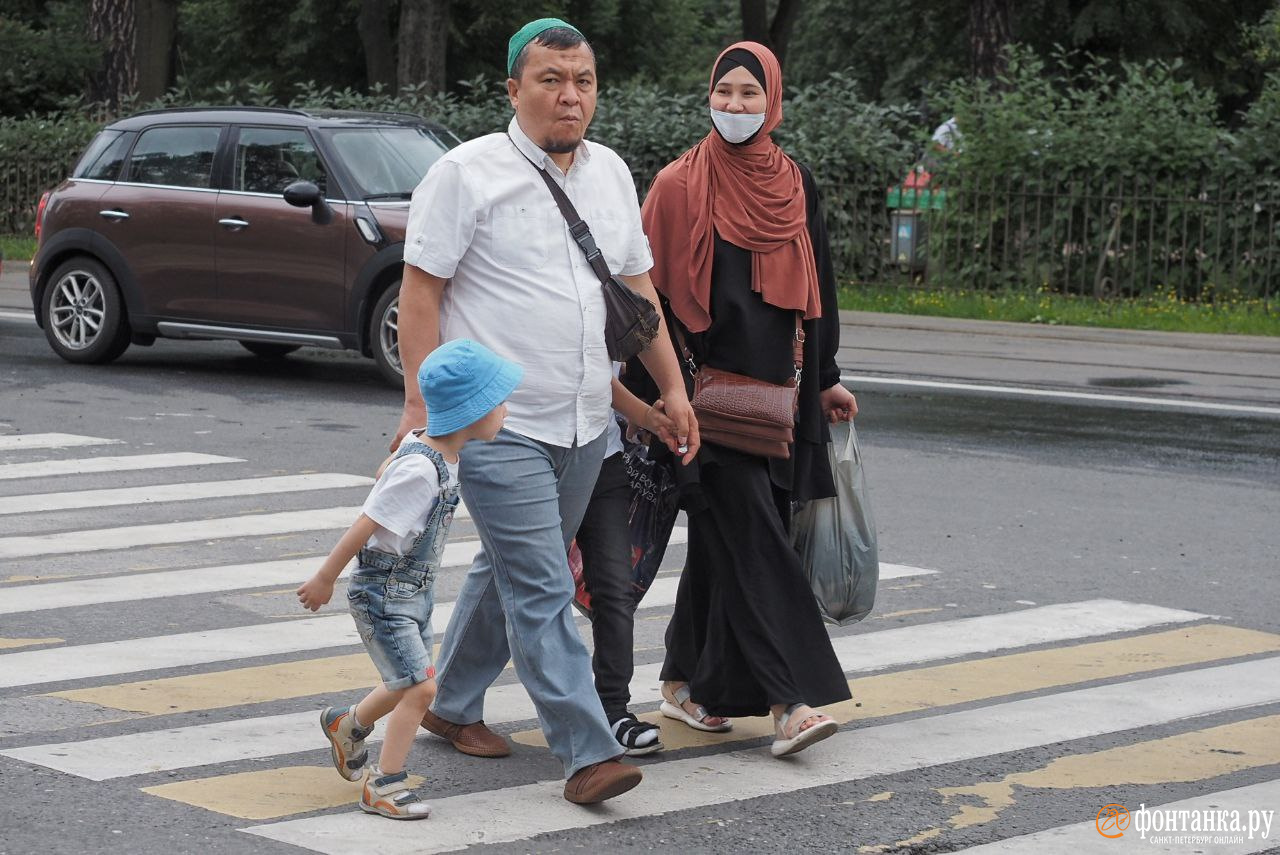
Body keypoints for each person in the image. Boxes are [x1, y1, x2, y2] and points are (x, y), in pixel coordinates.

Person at [392, 18, 698, 805]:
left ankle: (452, 703)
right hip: (500, 425)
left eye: (583, 80)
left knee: (508, 569)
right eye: (551, 80)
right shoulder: (465, 174)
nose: (570, 95)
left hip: (586, 422)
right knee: (541, 585)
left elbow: (638, 292)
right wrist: (419, 405)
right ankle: (586, 750)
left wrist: (670, 388)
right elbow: (421, 291)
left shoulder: (611, 175)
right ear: (513, 89)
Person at [636, 41, 859, 758]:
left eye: (748, 94)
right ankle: (788, 699)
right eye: (724, 92)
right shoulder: (676, 185)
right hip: (702, 402)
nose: (734, 105)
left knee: (727, 540)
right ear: (709, 95)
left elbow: (817, 293)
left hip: (780, 401)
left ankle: (687, 681)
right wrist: (659, 400)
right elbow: (644, 303)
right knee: (757, 539)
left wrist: (825, 379)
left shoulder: (795, 183)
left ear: (773, 102)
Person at [296, 338, 521, 820]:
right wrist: (324, 577)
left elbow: (385, 469)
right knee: (421, 689)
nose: (506, 408)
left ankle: (347, 725)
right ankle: (385, 784)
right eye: (497, 400)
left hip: (411, 592)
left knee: (406, 681)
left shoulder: (429, 446)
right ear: (470, 411)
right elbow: (368, 520)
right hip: (383, 593)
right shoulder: (423, 468)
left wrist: (393, 463)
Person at [573, 372, 677, 757]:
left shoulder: (617, 309)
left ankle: (612, 711)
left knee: (616, 590)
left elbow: (604, 371)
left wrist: (655, 412)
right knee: (524, 586)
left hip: (603, 457)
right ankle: (456, 697)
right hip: (533, 453)